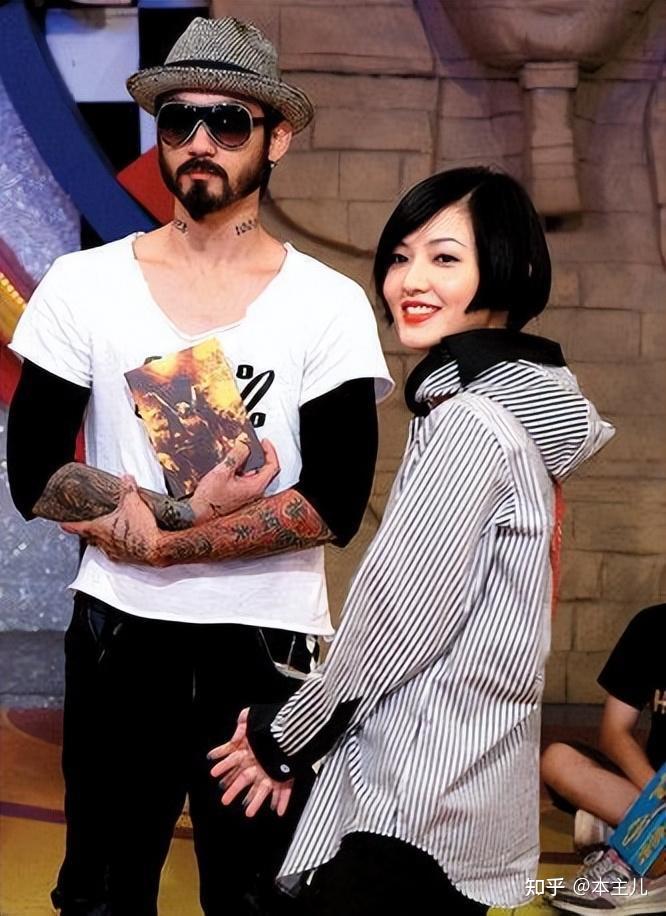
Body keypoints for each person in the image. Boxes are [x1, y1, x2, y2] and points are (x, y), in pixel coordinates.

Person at [87, 166, 614, 914]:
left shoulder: (470, 425)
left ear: (514, 268)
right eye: (399, 257)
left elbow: (402, 618)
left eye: (444, 257)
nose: (409, 280)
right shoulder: (508, 415)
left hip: (414, 795)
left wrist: (284, 736)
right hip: (467, 785)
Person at [7, 16, 391, 916]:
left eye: (228, 121)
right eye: (179, 120)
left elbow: (333, 501)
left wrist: (168, 537)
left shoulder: (328, 305)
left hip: (265, 648)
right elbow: (34, 471)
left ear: (276, 137)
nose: (200, 142)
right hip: (118, 635)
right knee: (101, 895)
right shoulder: (83, 284)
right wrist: (183, 516)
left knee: (256, 898)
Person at [542, 603, 666, 914]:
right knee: (559, 760)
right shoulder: (651, 625)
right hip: (648, 791)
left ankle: (633, 856)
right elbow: (614, 732)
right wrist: (658, 794)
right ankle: (643, 842)